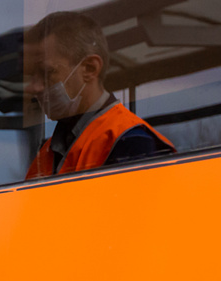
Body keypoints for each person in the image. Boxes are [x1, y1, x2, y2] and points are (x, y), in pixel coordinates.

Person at [24, 11, 175, 179]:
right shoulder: (47, 153)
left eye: (46, 72)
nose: (32, 87)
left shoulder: (133, 143)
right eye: (31, 75)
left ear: (90, 68)